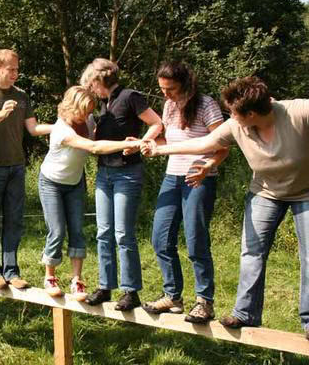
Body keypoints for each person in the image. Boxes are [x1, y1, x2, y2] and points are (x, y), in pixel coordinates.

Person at [143, 76, 309, 342]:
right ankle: (245, 313)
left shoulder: (297, 111)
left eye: (233, 112)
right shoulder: (236, 125)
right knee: (252, 252)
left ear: (251, 113)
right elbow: (204, 144)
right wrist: (160, 150)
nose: (229, 116)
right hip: (265, 192)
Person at [141, 62, 228, 324]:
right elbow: (171, 142)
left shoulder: (206, 105)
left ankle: (204, 301)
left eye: (171, 89)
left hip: (199, 180)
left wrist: (208, 166)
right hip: (172, 177)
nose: (165, 94)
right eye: (162, 89)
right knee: (160, 238)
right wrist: (147, 144)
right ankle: (172, 297)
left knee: (195, 240)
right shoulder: (169, 106)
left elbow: (223, 145)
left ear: (186, 85)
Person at [39, 86, 141, 300]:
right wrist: (125, 144)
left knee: (77, 231)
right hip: (52, 183)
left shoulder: (88, 121)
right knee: (57, 231)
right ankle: (50, 276)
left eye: (89, 111)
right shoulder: (61, 130)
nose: (87, 116)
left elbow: (100, 137)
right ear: (71, 107)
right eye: (83, 111)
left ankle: (76, 280)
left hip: (75, 182)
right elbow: (94, 147)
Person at [79, 58, 163, 310]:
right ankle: (105, 287)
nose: (90, 87)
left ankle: (130, 291)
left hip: (127, 173)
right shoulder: (101, 104)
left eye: (91, 83)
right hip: (104, 173)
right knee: (103, 232)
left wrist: (140, 142)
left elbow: (157, 123)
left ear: (98, 80)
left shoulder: (130, 96)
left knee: (123, 234)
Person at [0, 49, 52, 290]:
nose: (16, 73)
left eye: (17, 69)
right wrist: (2, 113)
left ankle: (12, 271)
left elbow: (33, 129)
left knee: (14, 220)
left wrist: (61, 127)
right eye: (11, 69)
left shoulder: (22, 95)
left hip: (16, 165)